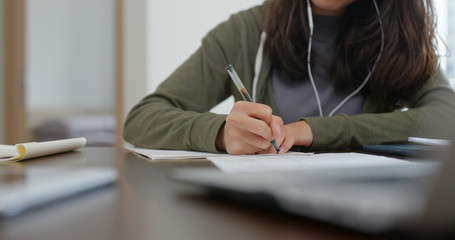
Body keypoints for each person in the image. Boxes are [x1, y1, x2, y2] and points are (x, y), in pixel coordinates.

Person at [123, 0, 455, 155]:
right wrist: (222, 133)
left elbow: (447, 116)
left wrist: (317, 131)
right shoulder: (244, 32)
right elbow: (141, 119)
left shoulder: (398, 35)